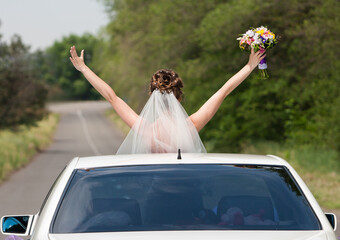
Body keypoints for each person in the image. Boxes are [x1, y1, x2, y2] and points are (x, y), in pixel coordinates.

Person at [69, 46, 265, 154]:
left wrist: (84, 69)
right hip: (188, 196)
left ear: (152, 96)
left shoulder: (145, 130)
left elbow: (112, 97)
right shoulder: (191, 126)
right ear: (179, 98)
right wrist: (249, 66)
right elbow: (223, 91)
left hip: (154, 197)